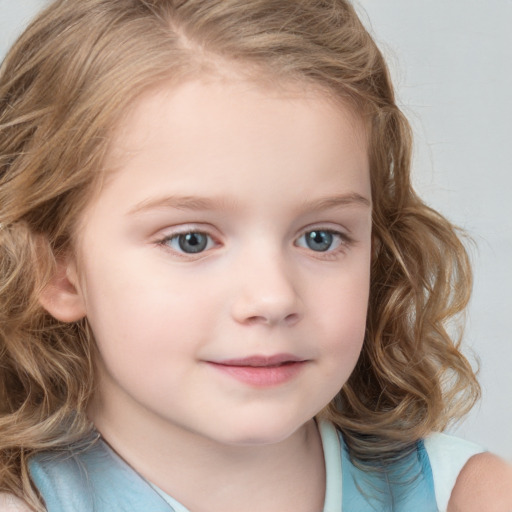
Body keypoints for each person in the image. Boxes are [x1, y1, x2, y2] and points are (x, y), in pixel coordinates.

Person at [0, 0, 511, 510]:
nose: (272, 297)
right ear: (57, 271)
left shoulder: (469, 496)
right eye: (191, 240)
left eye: (320, 237)